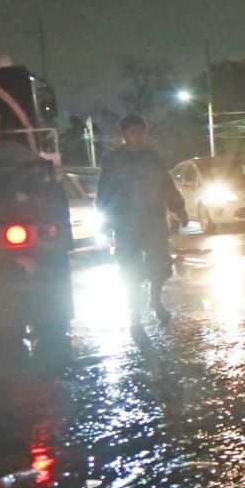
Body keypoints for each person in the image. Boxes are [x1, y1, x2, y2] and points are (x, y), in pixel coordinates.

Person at [96, 114, 186, 329]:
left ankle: (156, 300)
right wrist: (105, 222)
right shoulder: (114, 161)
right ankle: (134, 312)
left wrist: (178, 208)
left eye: (140, 132)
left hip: (153, 220)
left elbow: (167, 185)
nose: (137, 136)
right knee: (129, 268)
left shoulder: (153, 159)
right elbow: (105, 191)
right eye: (132, 132)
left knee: (159, 264)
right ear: (124, 135)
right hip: (125, 223)